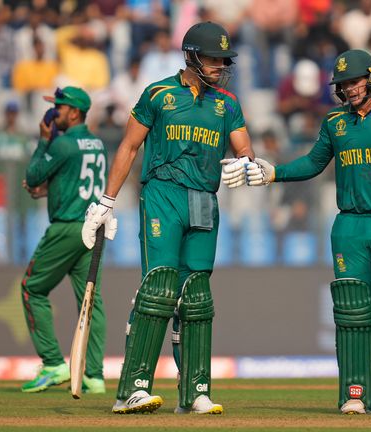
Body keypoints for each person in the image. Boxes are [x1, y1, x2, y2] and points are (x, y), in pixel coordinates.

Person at [245, 49, 371, 415]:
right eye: (343, 84)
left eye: (355, 81)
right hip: (351, 227)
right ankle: (354, 394)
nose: (349, 89)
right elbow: (313, 162)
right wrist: (273, 173)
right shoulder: (334, 122)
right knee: (353, 315)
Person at [81, 21, 257, 415]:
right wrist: (107, 201)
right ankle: (132, 389)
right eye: (213, 59)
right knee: (160, 287)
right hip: (163, 194)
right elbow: (128, 147)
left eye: (223, 60)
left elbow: (244, 148)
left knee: (194, 296)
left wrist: (248, 165)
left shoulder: (226, 103)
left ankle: (195, 392)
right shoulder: (158, 94)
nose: (220, 66)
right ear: (192, 56)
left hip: (204, 200)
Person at [16, 86, 109, 394]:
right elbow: (78, 181)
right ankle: (93, 376)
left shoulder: (64, 144)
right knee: (90, 301)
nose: (54, 113)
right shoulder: (96, 144)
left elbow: (32, 175)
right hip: (92, 227)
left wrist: (44, 140)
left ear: (74, 112)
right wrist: (50, 190)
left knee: (32, 289)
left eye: (59, 107)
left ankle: (54, 364)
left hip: (67, 227)